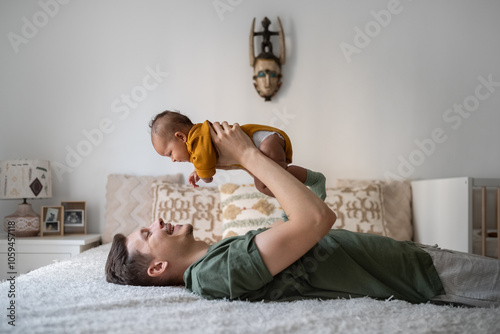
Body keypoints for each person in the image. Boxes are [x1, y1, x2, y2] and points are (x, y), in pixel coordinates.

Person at [106, 122, 500, 308]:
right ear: (157, 268)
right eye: (146, 231)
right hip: (414, 274)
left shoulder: (218, 256)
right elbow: (314, 221)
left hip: (403, 259)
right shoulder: (214, 274)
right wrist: (245, 155)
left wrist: (261, 165)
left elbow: (299, 225)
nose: (156, 221)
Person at [148, 110, 326, 202]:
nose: (173, 159)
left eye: (170, 153)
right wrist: (197, 170)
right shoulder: (198, 142)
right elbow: (205, 157)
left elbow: (208, 176)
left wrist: (202, 174)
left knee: (276, 180)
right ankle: (293, 203)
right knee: (266, 185)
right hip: (262, 144)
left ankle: (314, 180)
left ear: (180, 136)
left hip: (263, 141)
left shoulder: (197, 139)